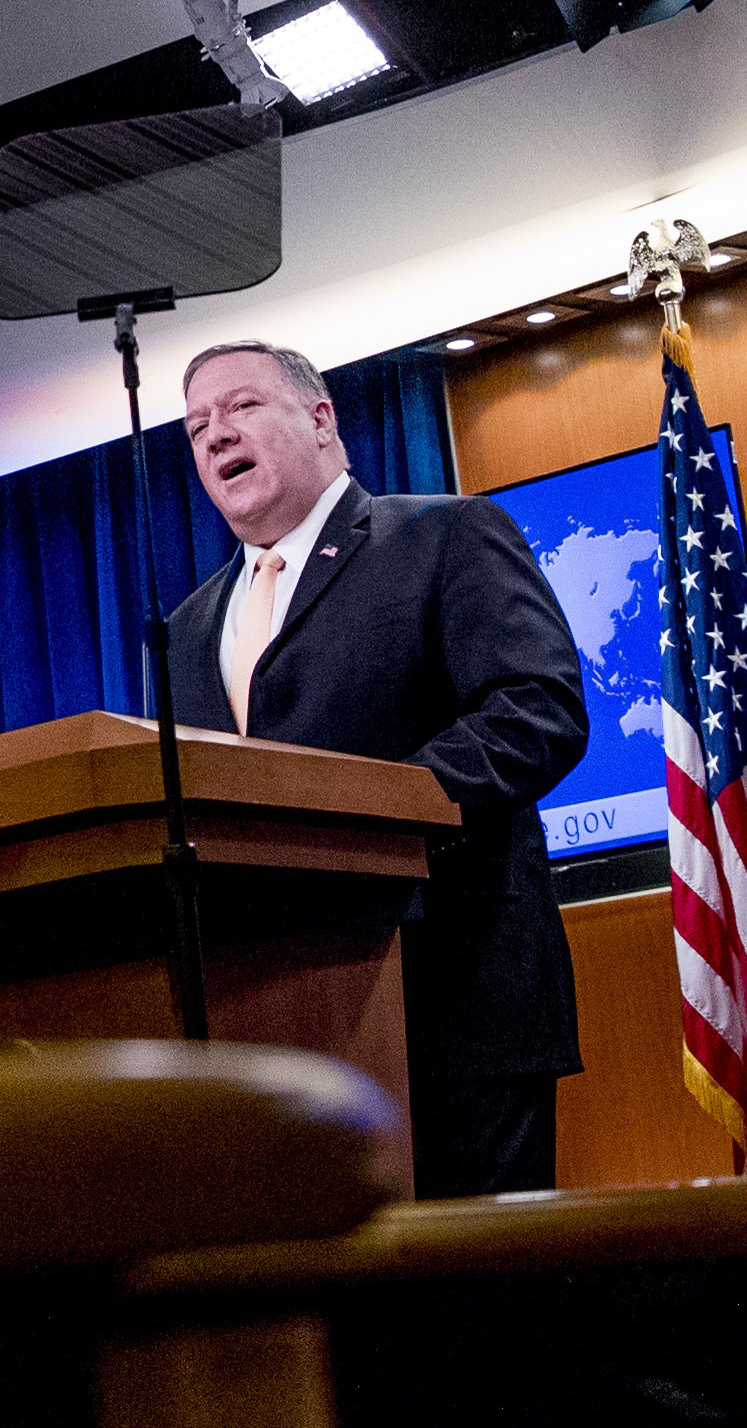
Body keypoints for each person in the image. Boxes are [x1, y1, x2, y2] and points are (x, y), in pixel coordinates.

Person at [157, 341, 587, 1197]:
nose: (214, 435)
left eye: (240, 407)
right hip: (288, 1035)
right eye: (197, 425)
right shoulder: (184, 627)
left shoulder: (442, 534)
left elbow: (538, 707)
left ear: (321, 419)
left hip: (458, 1008)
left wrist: (375, 815)